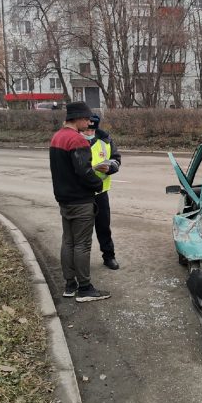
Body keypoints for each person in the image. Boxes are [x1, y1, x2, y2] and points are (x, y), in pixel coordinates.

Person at [49, 102, 110, 302]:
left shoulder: (56, 137)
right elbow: (84, 172)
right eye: (86, 119)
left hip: (64, 199)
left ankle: (69, 284)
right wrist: (97, 185)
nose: (89, 122)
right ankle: (85, 288)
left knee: (68, 241)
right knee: (82, 244)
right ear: (77, 118)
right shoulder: (77, 140)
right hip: (81, 201)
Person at [82, 114, 122, 270]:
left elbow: (116, 159)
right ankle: (82, 261)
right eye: (87, 130)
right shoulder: (75, 141)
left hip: (101, 192)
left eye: (92, 130)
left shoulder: (105, 140)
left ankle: (109, 256)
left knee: (104, 227)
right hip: (82, 193)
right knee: (83, 231)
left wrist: (111, 167)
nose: (89, 133)